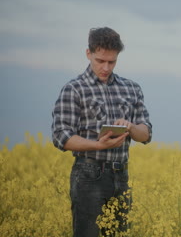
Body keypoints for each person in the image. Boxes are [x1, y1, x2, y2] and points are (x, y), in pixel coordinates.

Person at [51, 27, 152, 237]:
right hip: (89, 175)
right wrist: (97, 145)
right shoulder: (74, 89)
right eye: (100, 61)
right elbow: (61, 135)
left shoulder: (131, 88)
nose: (106, 67)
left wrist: (131, 127)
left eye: (112, 62)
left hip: (121, 175)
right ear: (88, 54)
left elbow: (146, 134)